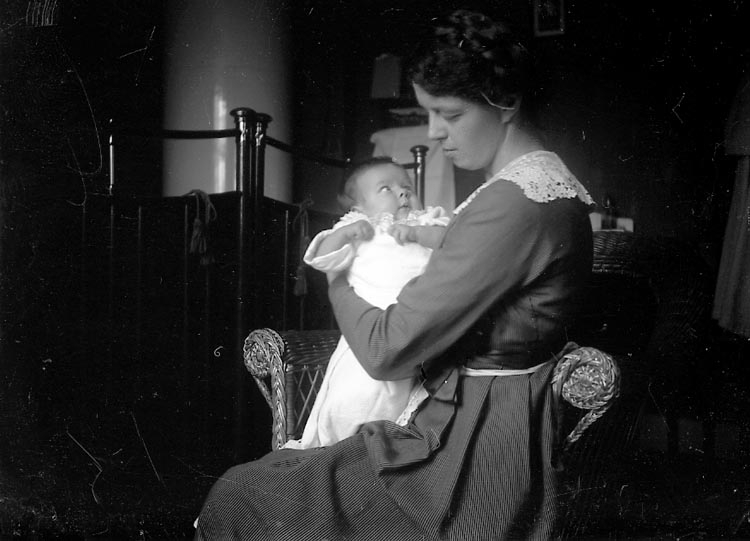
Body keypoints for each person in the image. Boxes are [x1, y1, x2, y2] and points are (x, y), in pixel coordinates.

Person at [195, 9, 594, 540]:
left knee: (241, 494)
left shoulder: (515, 202)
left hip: (477, 445)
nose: (434, 132)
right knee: (269, 483)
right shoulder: (540, 187)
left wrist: (338, 281)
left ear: (507, 103)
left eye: (449, 114)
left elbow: (386, 351)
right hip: (472, 414)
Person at [285, 156, 450, 449]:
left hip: (419, 330)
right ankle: (344, 445)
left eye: (407, 187)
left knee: (412, 402)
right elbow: (321, 257)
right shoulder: (359, 228)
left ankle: (391, 445)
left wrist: (418, 233)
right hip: (369, 333)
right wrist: (344, 234)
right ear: (359, 208)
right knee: (357, 396)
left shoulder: (428, 221)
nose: (402, 193)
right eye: (386, 188)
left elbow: (453, 242)